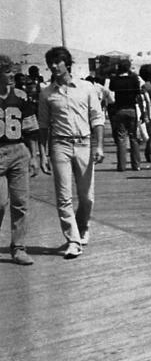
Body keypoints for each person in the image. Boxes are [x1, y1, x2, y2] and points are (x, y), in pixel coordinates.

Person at [37, 46, 105, 258]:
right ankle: (73, 240)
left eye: (57, 62)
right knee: (63, 196)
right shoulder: (46, 93)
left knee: (87, 197)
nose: (53, 66)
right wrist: (42, 154)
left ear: (67, 63)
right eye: (50, 63)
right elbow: (43, 126)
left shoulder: (86, 88)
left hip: (84, 144)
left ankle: (83, 226)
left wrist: (99, 146)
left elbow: (97, 118)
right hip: (60, 146)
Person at [0, 55, 35, 265]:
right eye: (7, 71)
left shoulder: (20, 96)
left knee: (20, 202)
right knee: (0, 202)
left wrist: (35, 156)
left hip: (18, 151)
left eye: (12, 70)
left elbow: (31, 130)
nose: (12, 75)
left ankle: (19, 247)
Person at [107, 59, 144, 171]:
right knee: (133, 137)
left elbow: (111, 88)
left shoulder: (115, 80)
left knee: (121, 138)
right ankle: (136, 165)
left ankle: (122, 165)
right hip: (132, 109)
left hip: (119, 109)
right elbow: (138, 93)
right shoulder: (134, 79)